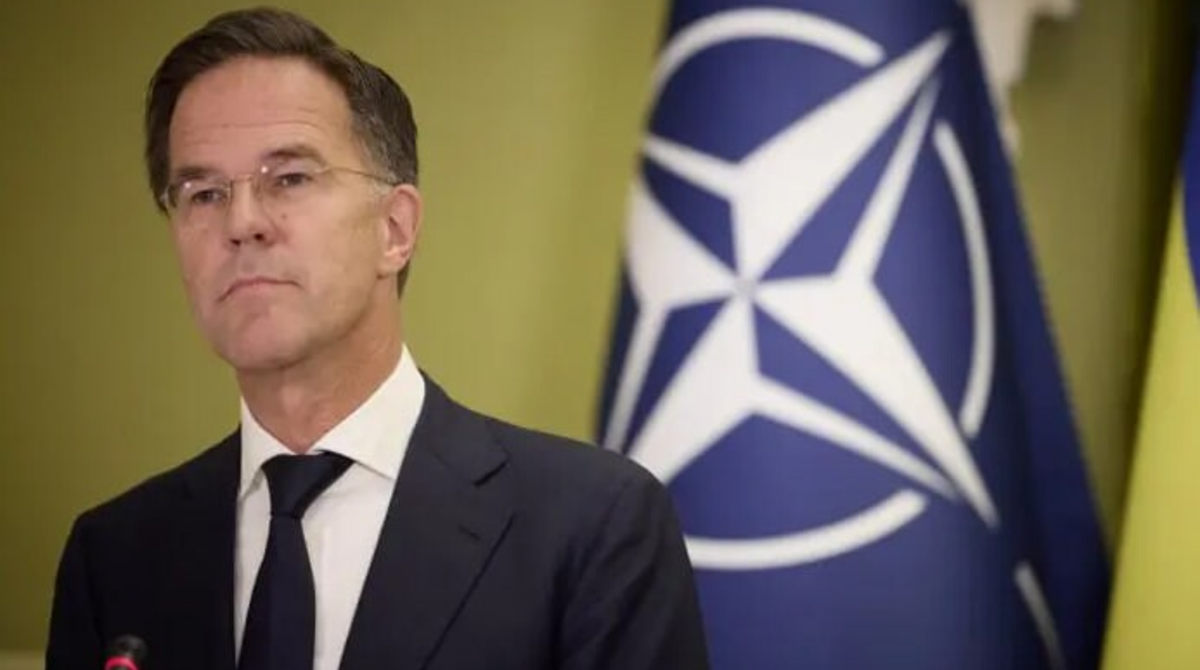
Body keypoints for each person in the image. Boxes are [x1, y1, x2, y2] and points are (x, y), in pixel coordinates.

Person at [45, 7, 709, 670]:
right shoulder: (114, 557)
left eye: (290, 178)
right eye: (203, 193)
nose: (241, 222)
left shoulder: (593, 524)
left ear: (395, 229)